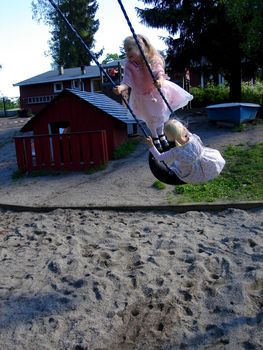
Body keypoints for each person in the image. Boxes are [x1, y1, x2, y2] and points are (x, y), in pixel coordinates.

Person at [113, 34, 193, 152]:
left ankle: (161, 136)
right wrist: (121, 87)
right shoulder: (129, 65)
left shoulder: (152, 59)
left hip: (156, 91)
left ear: (141, 47)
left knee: (160, 115)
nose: (127, 53)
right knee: (149, 118)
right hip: (141, 96)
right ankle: (155, 138)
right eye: (125, 50)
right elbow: (127, 81)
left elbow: (159, 73)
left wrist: (160, 81)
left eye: (129, 49)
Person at [146, 119, 225, 184]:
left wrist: (151, 145)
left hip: (193, 172)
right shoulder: (192, 137)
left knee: (176, 166)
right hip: (208, 162)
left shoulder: (175, 152)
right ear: (183, 129)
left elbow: (159, 158)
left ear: (169, 137)